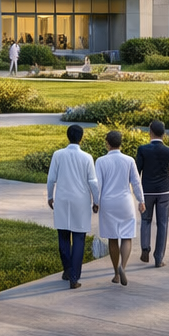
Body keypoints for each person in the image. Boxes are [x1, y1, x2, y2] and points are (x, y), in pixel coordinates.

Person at [46, 123, 100, 288]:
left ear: (68, 136)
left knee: (63, 236)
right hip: (81, 201)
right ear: (81, 138)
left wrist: (50, 196)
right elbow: (93, 182)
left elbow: (51, 178)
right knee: (78, 238)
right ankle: (74, 277)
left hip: (62, 199)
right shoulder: (86, 157)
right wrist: (96, 201)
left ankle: (68, 269)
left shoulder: (58, 154)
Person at [96, 130, 146, 286]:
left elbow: (98, 185)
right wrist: (141, 200)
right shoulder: (129, 160)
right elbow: (136, 182)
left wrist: (96, 203)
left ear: (107, 143)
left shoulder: (101, 161)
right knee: (126, 236)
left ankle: (116, 274)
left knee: (112, 238)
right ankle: (123, 267)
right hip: (125, 202)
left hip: (108, 203)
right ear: (120, 143)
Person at [136, 119, 169, 268]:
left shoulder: (143, 149)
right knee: (163, 223)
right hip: (164, 191)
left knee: (146, 220)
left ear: (150, 132)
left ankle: (145, 247)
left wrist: (137, 192)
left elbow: (137, 171)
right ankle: (159, 258)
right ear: (164, 133)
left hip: (147, 191)